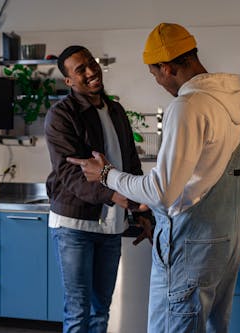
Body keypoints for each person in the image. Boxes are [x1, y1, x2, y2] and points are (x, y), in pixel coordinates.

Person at [67, 23, 240, 333]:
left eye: (155, 75)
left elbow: (162, 191)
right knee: (211, 327)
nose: (159, 83)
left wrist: (106, 174)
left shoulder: (188, 105)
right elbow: (204, 176)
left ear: (166, 67)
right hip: (226, 239)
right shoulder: (237, 100)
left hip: (190, 243)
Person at [44, 45, 153, 333]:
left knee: (100, 311)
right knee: (78, 312)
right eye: (81, 69)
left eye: (91, 63)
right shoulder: (61, 115)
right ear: (69, 81)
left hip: (111, 226)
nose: (91, 71)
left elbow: (130, 162)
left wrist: (142, 213)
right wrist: (116, 196)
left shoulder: (115, 110)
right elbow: (70, 174)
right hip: (74, 225)